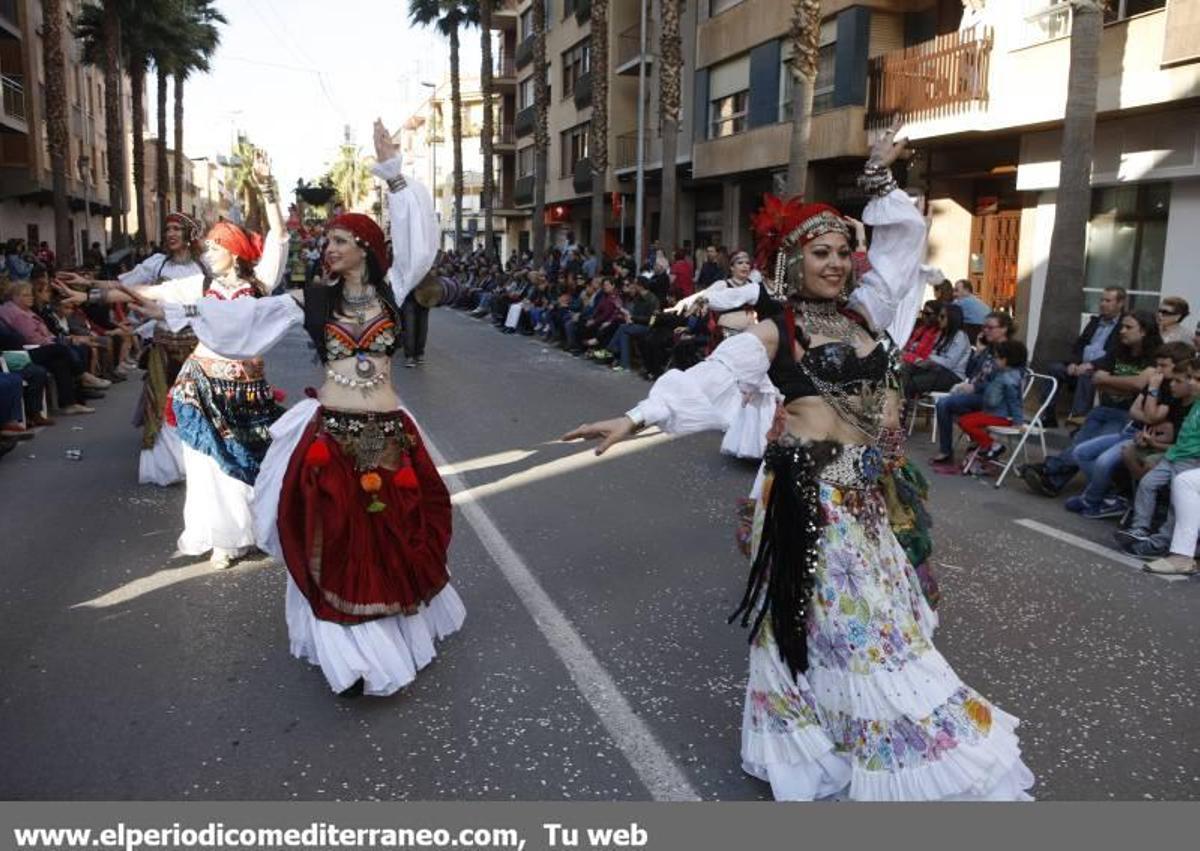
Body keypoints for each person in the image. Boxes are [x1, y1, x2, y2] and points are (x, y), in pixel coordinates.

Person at [562, 125, 1032, 801]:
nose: (837, 262)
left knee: (870, 628)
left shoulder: (870, 315)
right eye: (821, 251)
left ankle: (853, 740)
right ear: (792, 260)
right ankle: (833, 749)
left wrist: (877, 174)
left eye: (844, 250)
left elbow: (900, 246)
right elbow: (711, 380)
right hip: (810, 504)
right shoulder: (776, 329)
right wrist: (634, 417)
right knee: (841, 629)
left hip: (866, 503)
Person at [153, 119, 461, 697]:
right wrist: (174, 314)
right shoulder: (310, 299)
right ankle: (349, 647)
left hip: (388, 431)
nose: (330, 246)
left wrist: (394, 174)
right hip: (334, 433)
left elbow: (421, 240)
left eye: (341, 239)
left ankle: (395, 631)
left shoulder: (393, 286)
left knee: (393, 534)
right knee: (338, 537)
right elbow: (242, 322)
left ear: (365, 248)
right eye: (329, 241)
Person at [61, 154, 289, 569]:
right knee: (207, 466)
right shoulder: (201, 286)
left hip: (246, 389)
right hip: (202, 384)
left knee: (246, 462)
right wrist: (90, 294)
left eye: (217, 245)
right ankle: (222, 538)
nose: (209, 248)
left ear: (234, 252)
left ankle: (249, 531)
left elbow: (280, 235)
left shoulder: (259, 285)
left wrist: (268, 189)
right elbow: (150, 294)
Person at [1021, 310, 1161, 497]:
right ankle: (1052, 482)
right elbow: (1096, 379)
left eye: (1128, 327)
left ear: (1144, 331)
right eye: (1122, 327)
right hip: (1102, 409)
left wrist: (1110, 381)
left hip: (1127, 416)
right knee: (1079, 444)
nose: (1122, 331)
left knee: (1086, 448)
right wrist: (1121, 385)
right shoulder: (1119, 350)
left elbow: (1138, 384)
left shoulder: (1155, 356)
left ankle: (1049, 470)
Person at [931, 339, 1027, 473]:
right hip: (991, 412)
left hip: (1002, 416)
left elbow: (1015, 402)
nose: (994, 361)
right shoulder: (1001, 373)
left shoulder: (1010, 379)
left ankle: (991, 445)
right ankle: (988, 445)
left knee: (966, 422)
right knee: (963, 420)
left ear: (1007, 360)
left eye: (998, 358)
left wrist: (1018, 421)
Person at [1042, 286, 1126, 428]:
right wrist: (1074, 363)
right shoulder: (1095, 321)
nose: (1103, 304)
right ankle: (1048, 415)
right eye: (1102, 300)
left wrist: (1092, 365)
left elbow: (1117, 354)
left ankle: (1078, 420)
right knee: (1054, 369)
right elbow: (1079, 345)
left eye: (1108, 300)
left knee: (1087, 375)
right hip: (1081, 365)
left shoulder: (1124, 326)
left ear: (1120, 303)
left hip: (1102, 368)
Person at [901, 303, 970, 400]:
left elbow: (949, 363)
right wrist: (926, 361)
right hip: (938, 370)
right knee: (905, 368)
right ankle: (901, 402)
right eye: (939, 316)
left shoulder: (960, 336)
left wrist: (930, 359)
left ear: (952, 318)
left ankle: (904, 404)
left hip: (953, 375)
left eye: (942, 317)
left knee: (915, 382)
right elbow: (933, 353)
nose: (939, 319)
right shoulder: (943, 334)